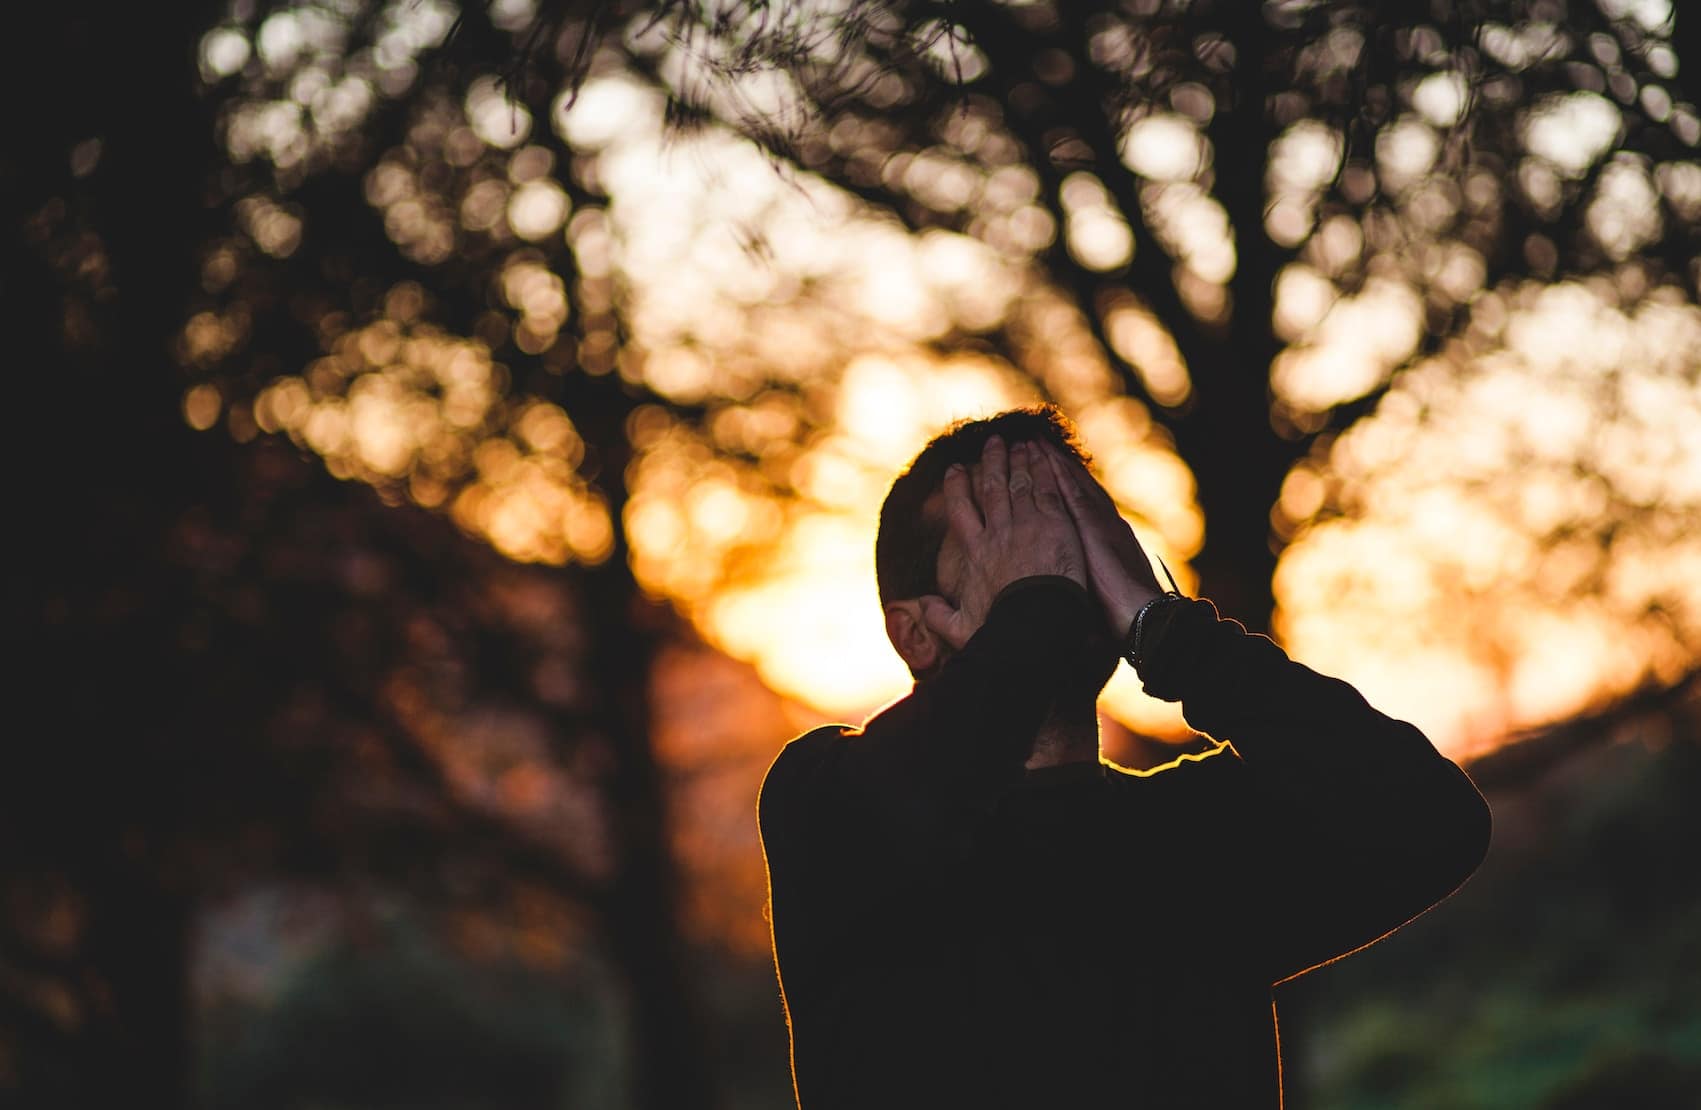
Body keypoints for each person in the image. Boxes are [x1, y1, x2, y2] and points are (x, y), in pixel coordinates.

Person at [758, 405, 1492, 1109]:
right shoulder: (825, 801)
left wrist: (1166, 631)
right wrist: (1036, 606)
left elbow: (1434, 821)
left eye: (1072, 530)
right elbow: (927, 793)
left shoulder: (1202, 832)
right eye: (1008, 536)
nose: (1054, 562)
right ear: (913, 633)